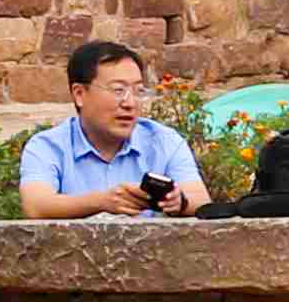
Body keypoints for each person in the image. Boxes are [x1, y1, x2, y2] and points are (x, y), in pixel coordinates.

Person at [15, 36, 208, 218]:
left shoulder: (164, 141)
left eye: (138, 91)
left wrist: (179, 201)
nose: (130, 103)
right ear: (80, 94)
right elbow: (36, 205)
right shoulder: (48, 146)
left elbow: (201, 201)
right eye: (118, 90)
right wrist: (101, 202)